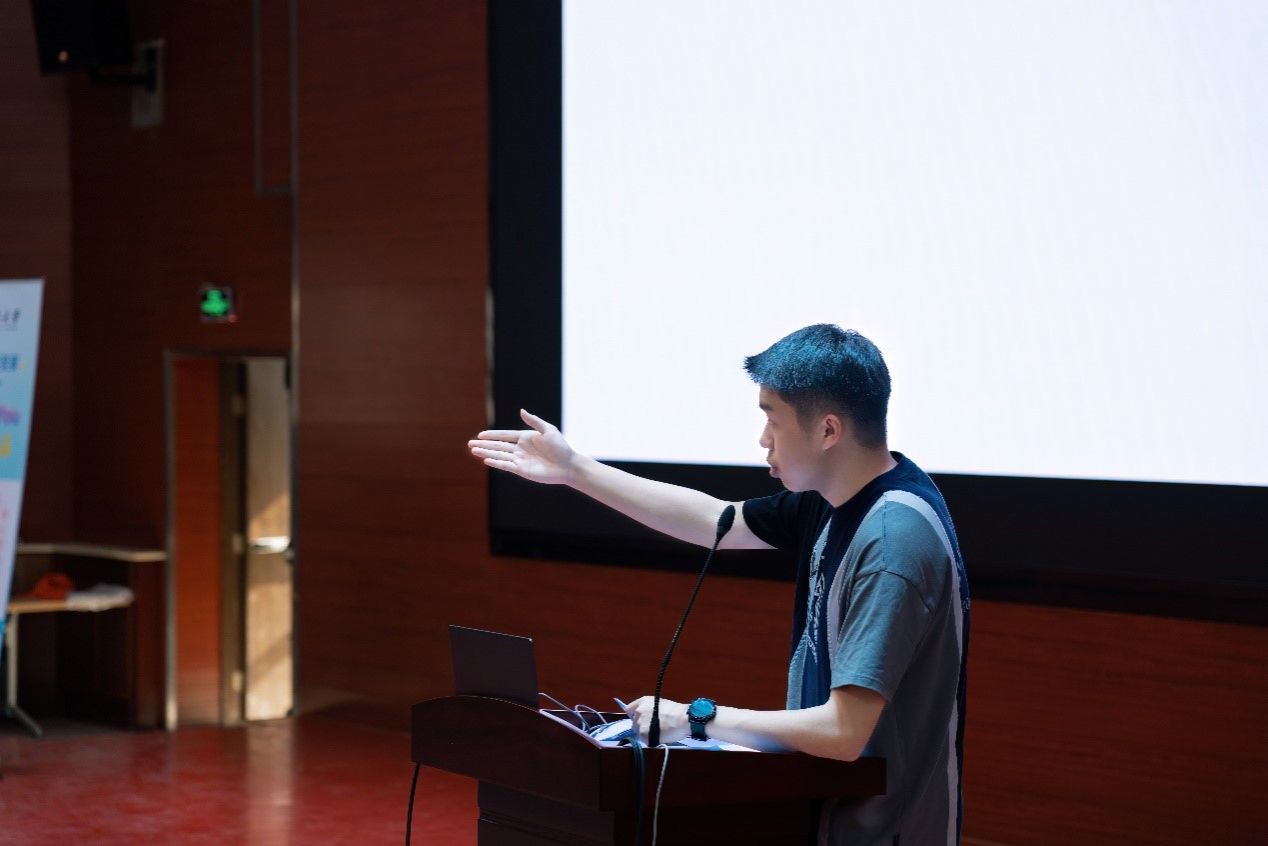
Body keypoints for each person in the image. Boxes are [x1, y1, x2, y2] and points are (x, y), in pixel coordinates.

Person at [467, 324, 970, 845]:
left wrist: (695, 719)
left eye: (772, 419)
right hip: (830, 812)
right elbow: (716, 520)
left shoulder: (891, 541)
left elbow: (843, 732)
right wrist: (574, 470)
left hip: (887, 830)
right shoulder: (835, 499)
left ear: (828, 431)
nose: (763, 439)